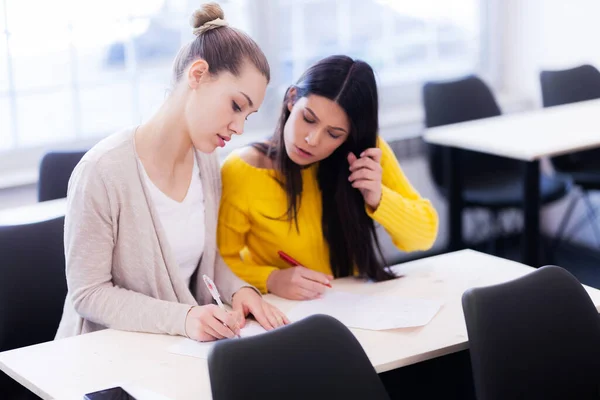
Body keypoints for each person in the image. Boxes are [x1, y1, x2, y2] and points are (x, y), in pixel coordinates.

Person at [56, 3, 288, 342]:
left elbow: (208, 260)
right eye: (236, 105)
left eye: (247, 116)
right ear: (197, 75)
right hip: (100, 360)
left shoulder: (207, 162)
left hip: (172, 352)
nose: (238, 127)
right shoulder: (101, 172)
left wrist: (239, 290)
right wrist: (184, 317)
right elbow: (88, 293)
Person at [218, 55, 439, 300]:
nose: (312, 140)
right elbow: (219, 263)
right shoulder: (242, 170)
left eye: (334, 134)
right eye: (308, 119)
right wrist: (270, 279)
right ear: (292, 99)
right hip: (287, 311)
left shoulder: (364, 156)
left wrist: (378, 198)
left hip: (354, 303)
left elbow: (423, 237)